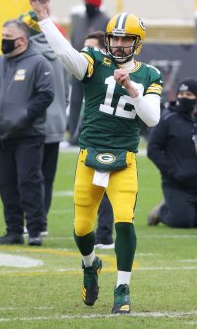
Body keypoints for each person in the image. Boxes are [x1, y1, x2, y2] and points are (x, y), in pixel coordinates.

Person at [31, 0, 162, 314]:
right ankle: (90, 265)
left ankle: (122, 287)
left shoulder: (149, 75)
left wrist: (132, 88)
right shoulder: (93, 61)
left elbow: (152, 118)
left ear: (137, 43)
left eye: (125, 38)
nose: (118, 44)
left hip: (124, 159)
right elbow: (65, 54)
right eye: (114, 38)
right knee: (81, 228)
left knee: (124, 222)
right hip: (89, 157)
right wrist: (45, 18)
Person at [0, 19, 54, 247]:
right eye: (2, 37)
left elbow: (46, 95)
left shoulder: (39, 63)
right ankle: (14, 230)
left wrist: (25, 116)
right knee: (6, 184)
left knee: (29, 182)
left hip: (28, 135)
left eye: (7, 38)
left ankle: (36, 230)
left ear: (21, 40)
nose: (3, 42)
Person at [19, 10, 69, 236]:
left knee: (29, 177)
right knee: (46, 178)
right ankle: (41, 222)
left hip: (34, 125)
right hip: (57, 123)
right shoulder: (59, 53)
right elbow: (66, 93)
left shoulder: (28, 57)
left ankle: (32, 222)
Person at [147, 78, 197, 228]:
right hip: (177, 184)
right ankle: (162, 211)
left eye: (188, 94)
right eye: (181, 94)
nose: (183, 97)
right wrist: (172, 171)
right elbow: (153, 149)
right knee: (183, 222)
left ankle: (194, 210)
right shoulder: (168, 120)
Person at [78, 30, 115, 249]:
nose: (87, 52)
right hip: (90, 135)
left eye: (91, 48)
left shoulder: (113, 71)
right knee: (89, 185)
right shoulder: (87, 71)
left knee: (106, 183)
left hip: (111, 138)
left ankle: (104, 234)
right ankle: (90, 231)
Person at [67, 0, 110, 142]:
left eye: (90, 3)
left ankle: (92, 135)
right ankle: (73, 135)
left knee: (95, 103)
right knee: (75, 101)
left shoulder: (105, 21)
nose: (87, 6)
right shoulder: (80, 20)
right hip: (79, 66)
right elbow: (73, 41)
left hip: (98, 70)